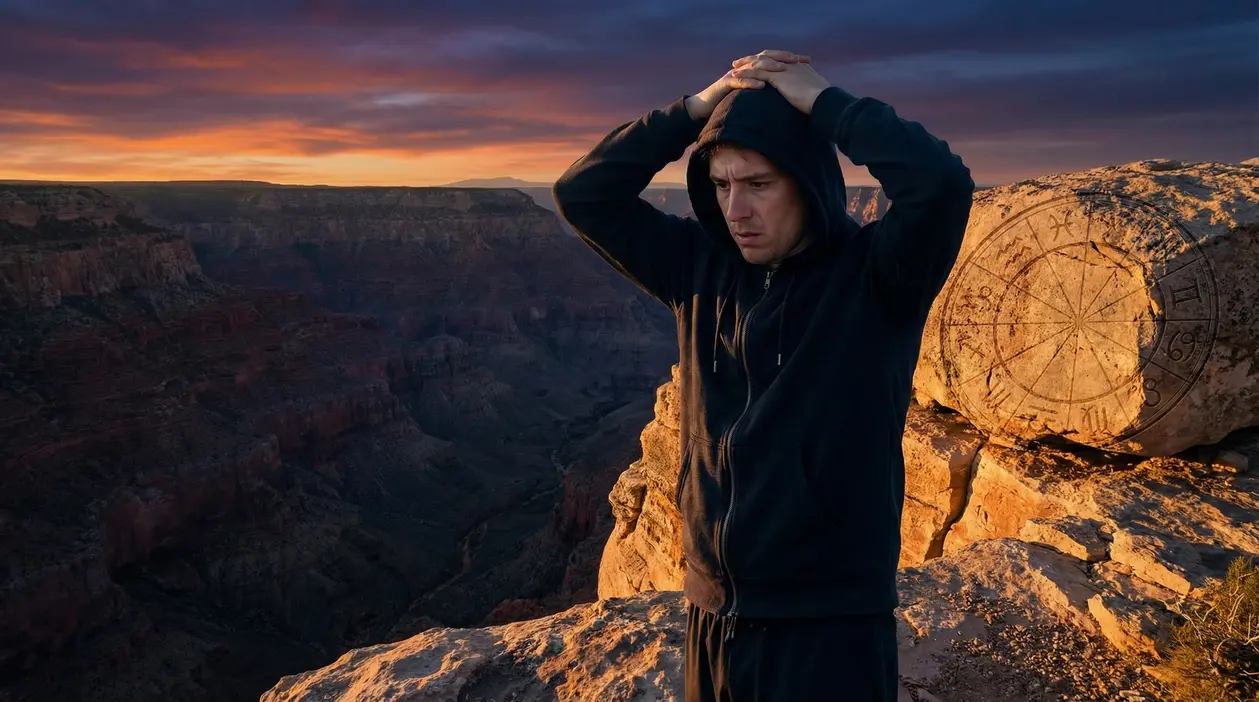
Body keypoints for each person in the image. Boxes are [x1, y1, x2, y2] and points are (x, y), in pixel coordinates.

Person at [553, 49, 975, 701]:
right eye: (720, 186)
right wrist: (696, 107)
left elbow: (939, 184)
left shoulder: (876, 278)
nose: (735, 209)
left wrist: (824, 100)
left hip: (827, 628)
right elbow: (583, 194)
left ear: (806, 182)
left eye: (757, 184)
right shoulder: (698, 268)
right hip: (713, 614)